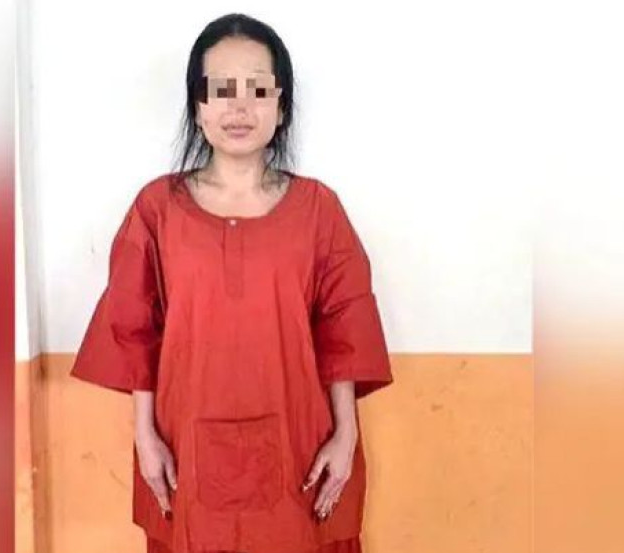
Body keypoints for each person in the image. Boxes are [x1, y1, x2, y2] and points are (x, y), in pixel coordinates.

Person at [70, 13, 394, 553]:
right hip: (184, 447)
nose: (239, 108)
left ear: (281, 106)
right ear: (198, 107)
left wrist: (346, 434)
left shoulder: (319, 209)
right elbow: (134, 331)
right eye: (221, 90)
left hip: (302, 443)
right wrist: (145, 437)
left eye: (257, 90)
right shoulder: (157, 209)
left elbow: (345, 329)